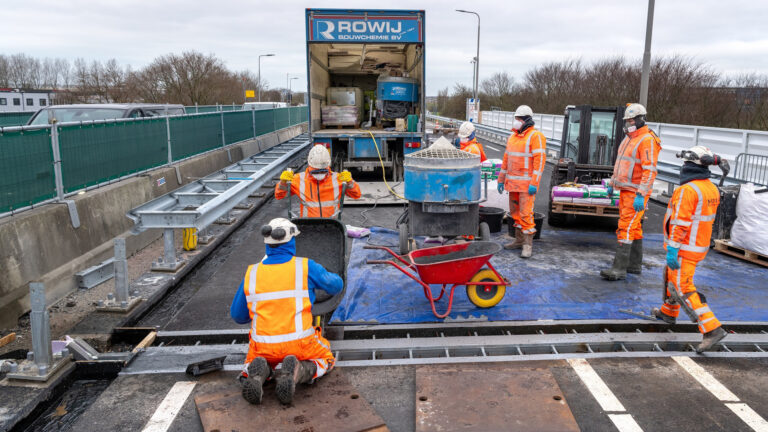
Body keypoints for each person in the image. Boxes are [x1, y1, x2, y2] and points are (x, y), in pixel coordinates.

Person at [230, 218, 343, 405]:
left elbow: (238, 316)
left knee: (254, 359)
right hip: (300, 344)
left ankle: (259, 371)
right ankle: (298, 371)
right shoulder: (305, 266)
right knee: (326, 358)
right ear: (292, 240)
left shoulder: (252, 273)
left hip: (262, 346)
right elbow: (335, 286)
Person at [651, 146, 729, 352]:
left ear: (690, 166)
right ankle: (668, 312)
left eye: (685, 163)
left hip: (684, 247)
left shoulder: (688, 190)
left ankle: (712, 328)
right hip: (698, 245)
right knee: (671, 277)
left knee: (683, 287)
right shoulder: (710, 188)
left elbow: (680, 223)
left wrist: (673, 249)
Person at [601, 103, 661, 280]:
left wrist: (641, 194)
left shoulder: (647, 140)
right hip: (626, 190)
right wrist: (612, 183)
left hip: (636, 193)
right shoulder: (629, 138)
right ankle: (634, 265)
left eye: (632, 120)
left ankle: (619, 268)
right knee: (633, 228)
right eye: (627, 120)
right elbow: (620, 163)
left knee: (625, 227)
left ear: (642, 119)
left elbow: (649, 170)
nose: (629, 123)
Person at [497, 105, 546, 258]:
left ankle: (527, 245)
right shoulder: (512, 137)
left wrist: (534, 183)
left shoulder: (535, 136)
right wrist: (501, 179)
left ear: (526, 120)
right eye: (516, 118)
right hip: (513, 185)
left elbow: (540, 162)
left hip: (526, 186)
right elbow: (506, 160)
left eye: (519, 119)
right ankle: (519, 240)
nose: (516, 121)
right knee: (515, 213)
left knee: (526, 215)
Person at [275, 145, 361, 217]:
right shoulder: (299, 179)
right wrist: (283, 182)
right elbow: (279, 196)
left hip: (332, 224)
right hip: (308, 225)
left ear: (328, 166)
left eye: (323, 171)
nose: (319, 174)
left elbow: (356, 195)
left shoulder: (338, 179)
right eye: (315, 171)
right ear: (309, 166)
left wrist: (350, 182)